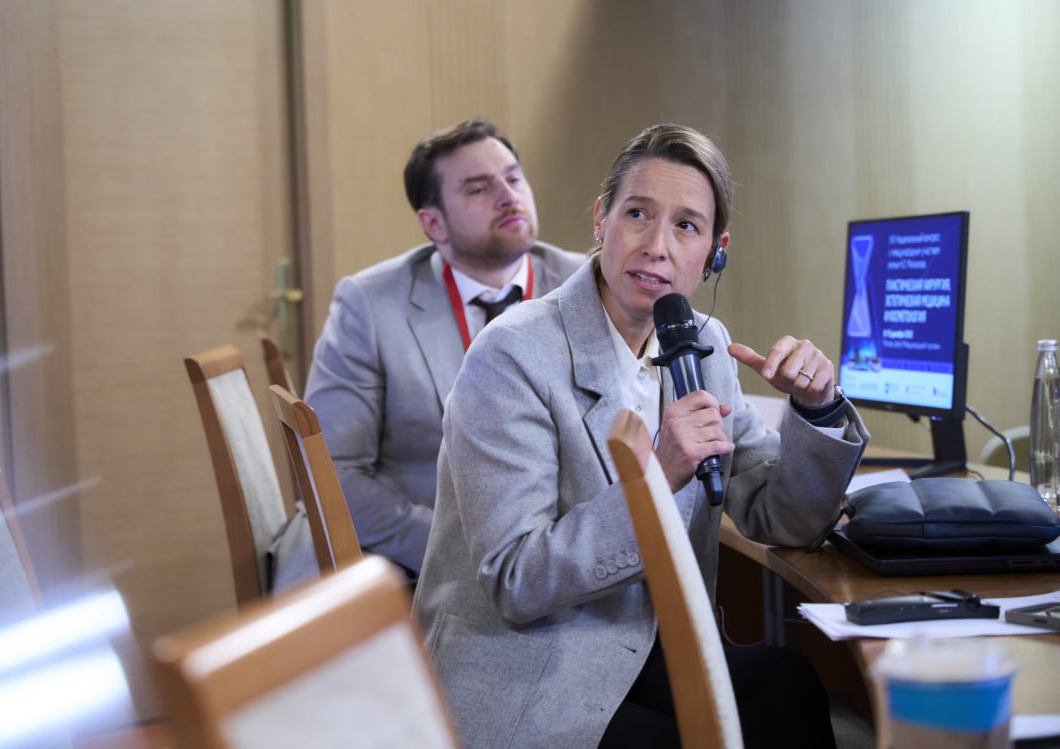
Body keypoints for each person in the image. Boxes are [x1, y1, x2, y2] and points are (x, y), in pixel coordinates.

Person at [413, 122, 869, 748]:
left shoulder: (703, 343)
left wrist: (816, 410)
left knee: (789, 686)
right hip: (526, 664)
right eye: (637, 214)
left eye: (686, 226)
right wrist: (657, 475)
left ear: (715, 251)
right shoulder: (512, 354)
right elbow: (517, 579)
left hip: (644, 644)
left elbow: (779, 517)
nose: (657, 246)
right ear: (601, 220)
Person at [303, 118, 586, 576]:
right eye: (478, 189)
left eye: (513, 178)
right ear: (433, 223)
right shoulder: (371, 305)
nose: (508, 197)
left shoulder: (588, 287)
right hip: (424, 566)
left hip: (565, 560)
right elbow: (330, 473)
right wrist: (460, 560)